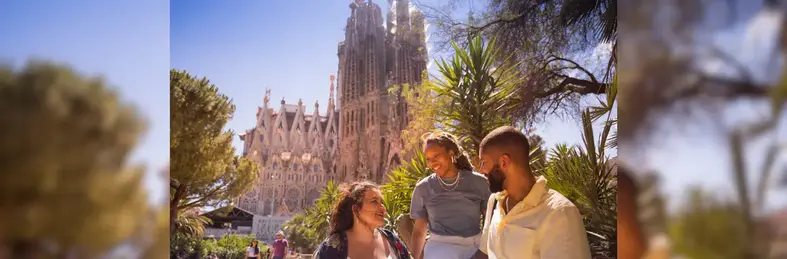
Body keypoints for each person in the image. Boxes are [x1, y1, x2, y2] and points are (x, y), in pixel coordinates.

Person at [474, 126, 591, 259]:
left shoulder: (559, 213)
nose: (481, 170)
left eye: (484, 162)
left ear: (504, 162)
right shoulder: (494, 202)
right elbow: (484, 252)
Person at [409, 131, 492, 259]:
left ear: (451, 153)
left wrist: (485, 252)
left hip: (476, 249)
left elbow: (490, 222)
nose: (432, 163)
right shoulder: (423, 188)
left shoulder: (479, 182)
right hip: (438, 250)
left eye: (436, 156)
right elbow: (419, 232)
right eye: (428, 159)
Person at [313, 181, 411, 259]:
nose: (383, 208)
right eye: (374, 201)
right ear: (356, 209)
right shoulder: (333, 247)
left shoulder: (391, 240)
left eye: (382, 203)